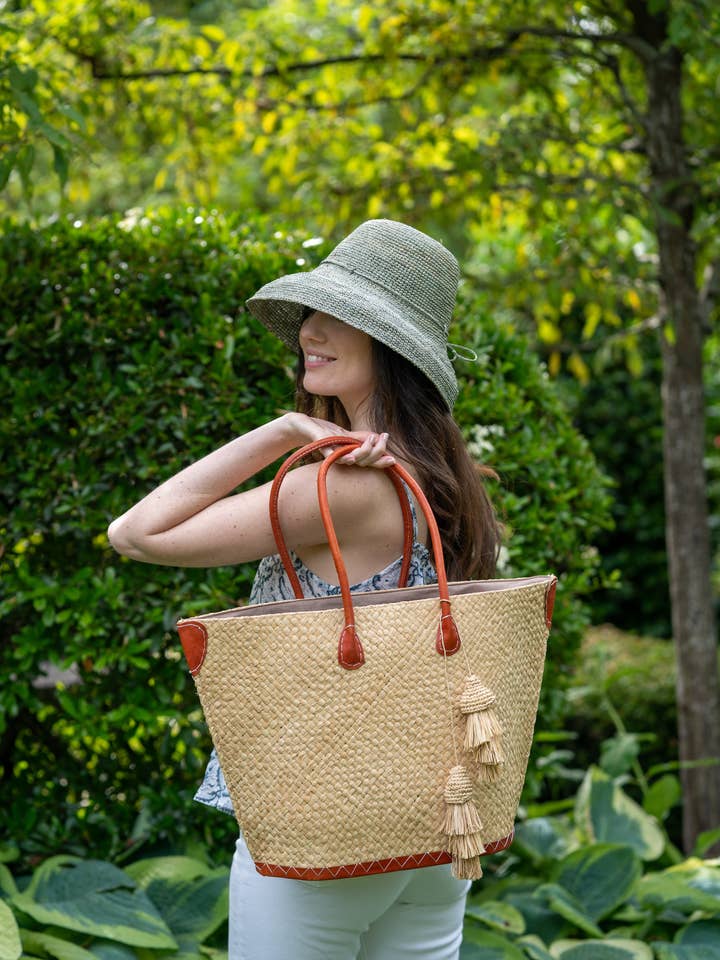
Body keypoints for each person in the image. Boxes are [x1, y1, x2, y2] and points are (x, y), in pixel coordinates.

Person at [108, 218, 503, 960]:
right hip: (434, 827)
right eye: (310, 314)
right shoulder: (444, 480)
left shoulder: (343, 490)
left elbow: (136, 533)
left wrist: (282, 432)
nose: (309, 333)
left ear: (389, 345)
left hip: (324, 824)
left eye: (338, 316)